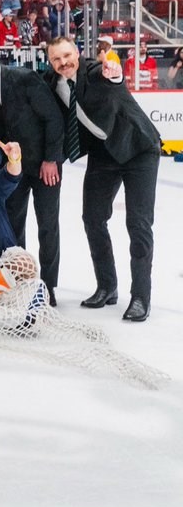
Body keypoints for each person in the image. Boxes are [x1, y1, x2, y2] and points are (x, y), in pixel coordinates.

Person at [45, 37, 160, 321]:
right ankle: (107, 286)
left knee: (138, 223)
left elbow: (113, 74)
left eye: (68, 55)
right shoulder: (53, 82)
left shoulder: (97, 71)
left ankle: (140, 297)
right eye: (57, 59)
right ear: (50, 62)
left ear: (78, 53)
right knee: (93, 218)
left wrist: (114, 70)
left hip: (138, 149)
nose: (64, 62)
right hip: (103, 152)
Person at [0, 35, 64, 303]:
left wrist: (51, 159)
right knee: (12, 226)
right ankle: (22, 280)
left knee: (47, 226)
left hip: (44, 165)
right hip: (10, 170)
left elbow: (52, 117)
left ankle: (48, 286)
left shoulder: (24, 78)